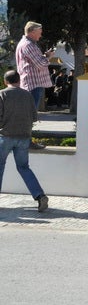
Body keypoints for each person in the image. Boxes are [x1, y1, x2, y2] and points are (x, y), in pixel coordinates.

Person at [0, 70, 49, 212]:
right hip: (24, 137)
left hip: (5, 136)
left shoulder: (2, 94)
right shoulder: (27, 95)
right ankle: (40, 196)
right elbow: (34, 117)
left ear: (5, 81)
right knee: (24, 167)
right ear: (19, 80)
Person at [15, 21, 53, 111]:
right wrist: (49, 57)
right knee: (30, 113)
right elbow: (40, 64)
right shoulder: (28, 45)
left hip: (31, 83)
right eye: (39, 33)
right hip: (33, 84)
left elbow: (34, 62)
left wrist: (45, 56)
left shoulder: (26, 44)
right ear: (32, 32)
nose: (40, 35)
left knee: (28, 113)